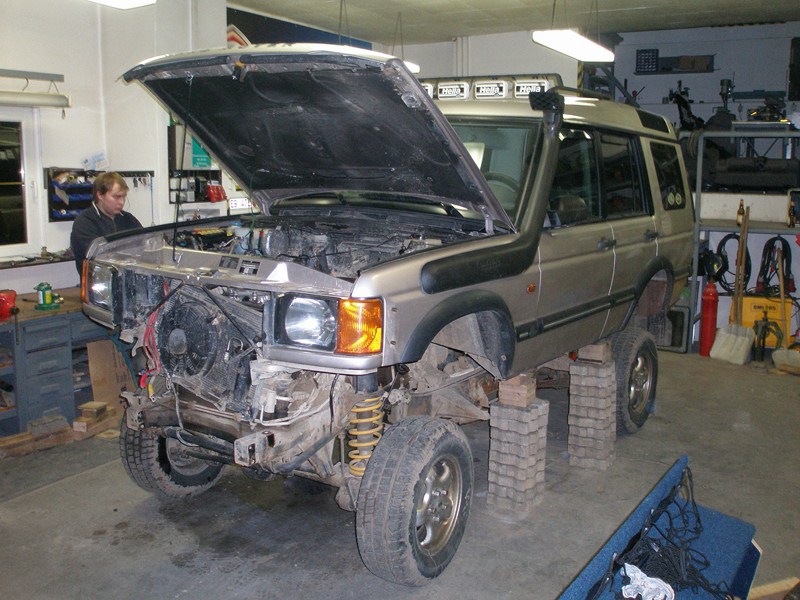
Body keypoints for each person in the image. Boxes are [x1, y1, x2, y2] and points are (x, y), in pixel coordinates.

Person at [70, 172, 142, 276]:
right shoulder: (84, 222)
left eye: (123, 197)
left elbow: (144, 244)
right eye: (116, 197)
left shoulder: (128, 219)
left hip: (129, 280)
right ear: (100, 195)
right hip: (100, 283)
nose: (121, 202)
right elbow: (100, 257)